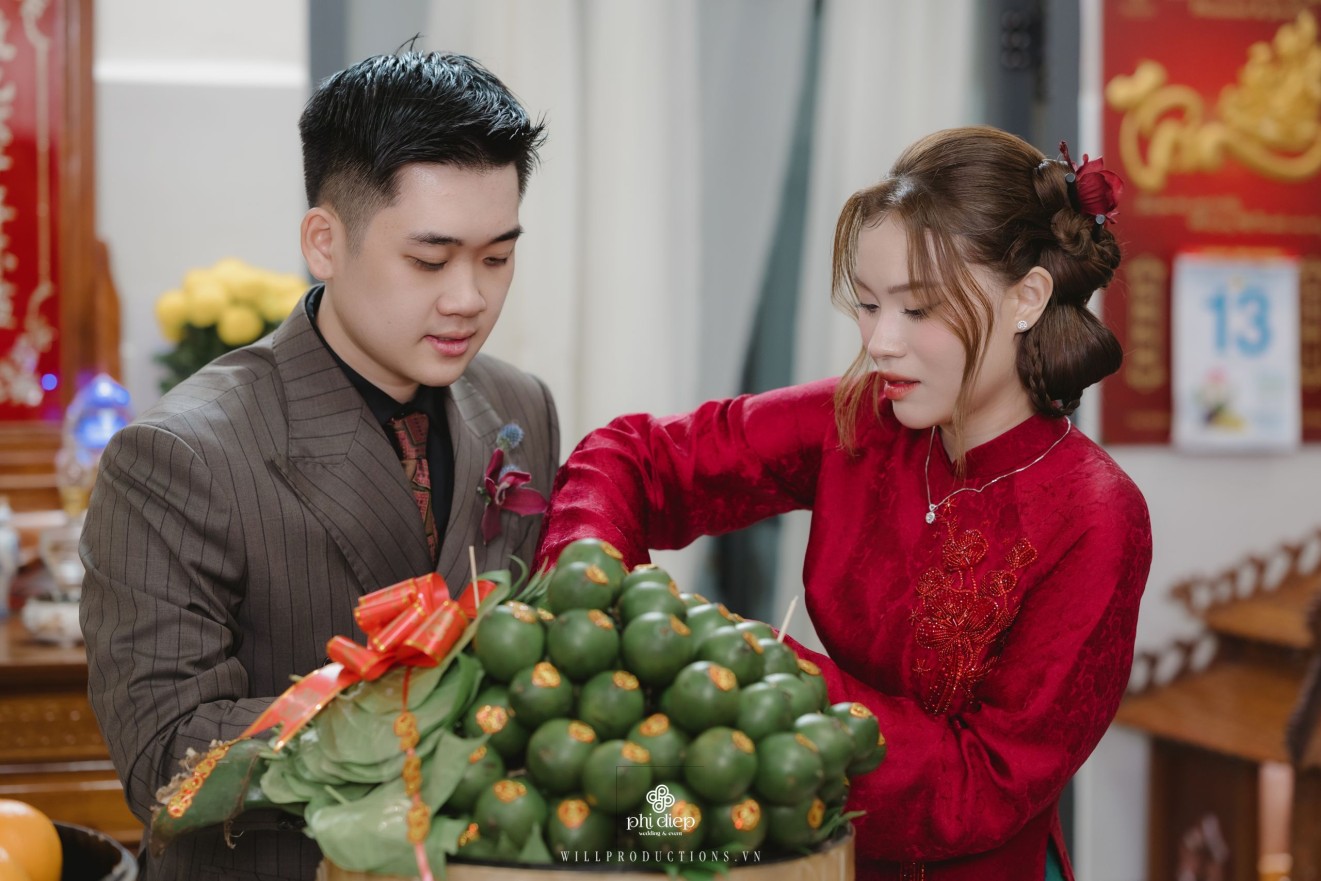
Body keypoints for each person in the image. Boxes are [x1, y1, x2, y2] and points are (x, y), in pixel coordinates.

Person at [537, 125, 1151, 881]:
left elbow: (985, 785)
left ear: (1027, 297)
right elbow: (639, 458)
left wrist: (750, 673)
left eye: (918, 310)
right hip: (818, 851)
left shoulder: (1096, 515)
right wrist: (589, 585)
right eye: (867, 304)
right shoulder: (865, 420)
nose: (880, 342)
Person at [80, 52, 557, 881]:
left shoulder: (520, 405)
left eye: (496, 258)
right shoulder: (180, 454)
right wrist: (427, 713)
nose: (469, 299)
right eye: (429, 259)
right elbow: (165, 758)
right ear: (324, 242)